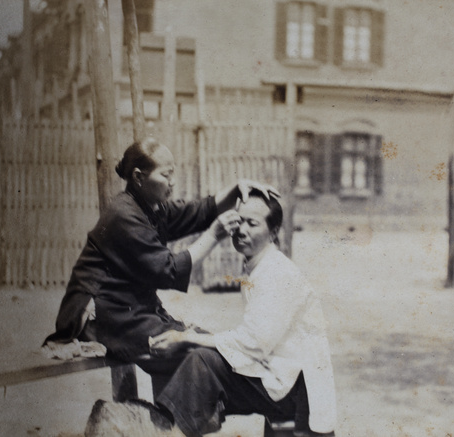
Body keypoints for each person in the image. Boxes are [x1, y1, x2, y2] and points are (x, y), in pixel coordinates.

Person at [43, 137, 278, 388]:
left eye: (173, 173)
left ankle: (172, 420)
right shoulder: (123, 215)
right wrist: (213, 236)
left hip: (130, 309)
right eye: (166, 175)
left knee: (196, 342)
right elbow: (169, 270)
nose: (173, 182)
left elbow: (196, 211)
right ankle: (170, 420)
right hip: (101, 317)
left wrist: (236, 188)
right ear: (138, 177)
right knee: (187, 350)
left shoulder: (149, 207)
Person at [149, 190, 336, 437]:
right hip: (278, 373)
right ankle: (171, 426)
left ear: (273, 231)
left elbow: (254, 343)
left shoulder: (276, 272)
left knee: (203, 362)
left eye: (252, 223)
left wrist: (188, 337)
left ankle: (169, 432)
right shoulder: (258, 265)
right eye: (239, 220)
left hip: (297, 390)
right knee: (198, 356)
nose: (241, 230)